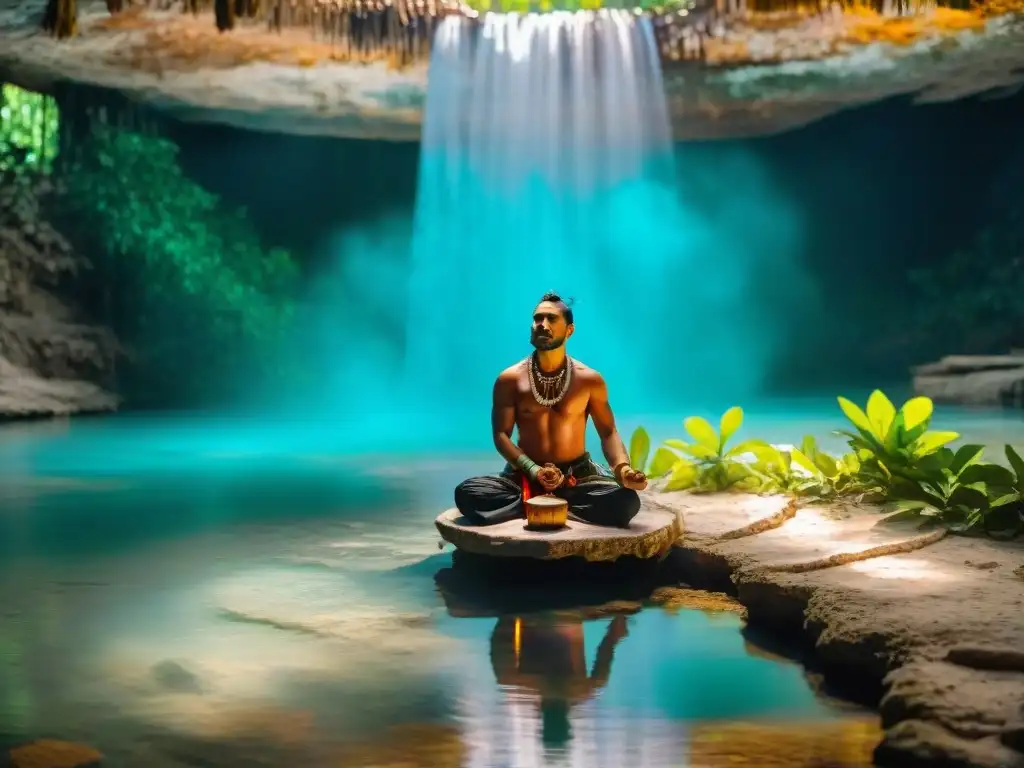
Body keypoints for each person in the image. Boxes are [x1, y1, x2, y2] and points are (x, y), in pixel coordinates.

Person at [454, 292, 647, 527]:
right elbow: (501, 435)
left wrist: (623, 470)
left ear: (570, 330)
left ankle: (538, 506)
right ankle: (547, 504)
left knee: (626, 502)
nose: (542, 325)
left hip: (577, 477)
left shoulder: (589, 380)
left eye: (551, 319)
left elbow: (608, 432)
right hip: (524, 476)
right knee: (468, 492)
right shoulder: (510, 380)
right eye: (537, 319)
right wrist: (534, 470)